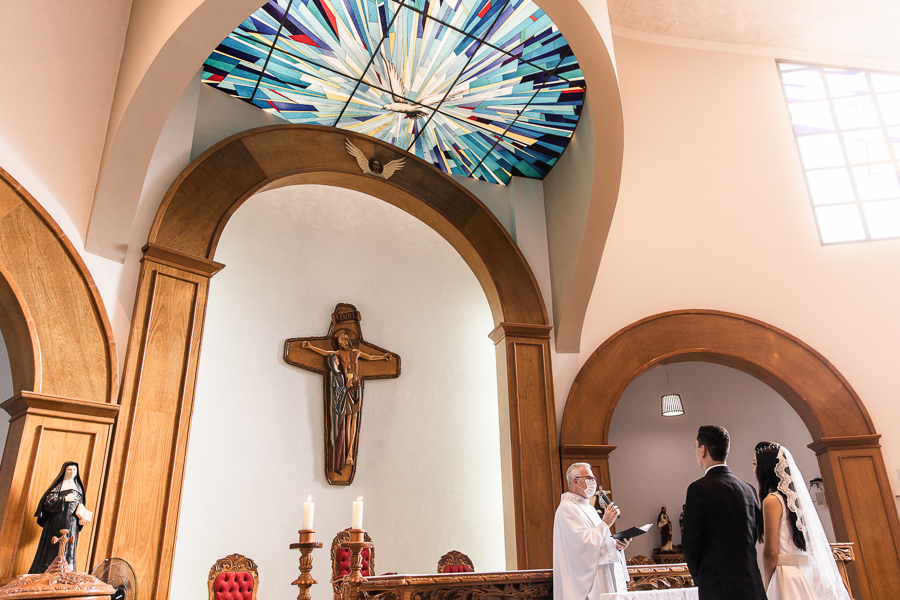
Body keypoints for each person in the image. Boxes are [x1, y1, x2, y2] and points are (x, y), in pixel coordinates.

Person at [754, 442, 851, 600]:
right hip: (805, 573)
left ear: (765, 467)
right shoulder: (796, 502)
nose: (754, 469)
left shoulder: (772, 501)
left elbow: (770, 552)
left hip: (785, 577)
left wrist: (767, 582)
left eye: (755, 463)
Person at [682, 425, 766, 600]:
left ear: (703, 450)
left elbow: (691, 545)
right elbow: (755, 535)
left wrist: (702, 578)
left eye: (696, 447)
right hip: (753, 585)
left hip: (718, 586)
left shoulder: (698, 489)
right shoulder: (748, 489)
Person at [302, 331, 393, 473]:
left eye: (344, 341)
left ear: (348, 341)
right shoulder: (338, 353)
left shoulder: (356, 352)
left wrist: (383, 357)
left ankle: (350, 453)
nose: (342, 344)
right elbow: (325, 353)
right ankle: (347, 454)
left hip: (356, 387)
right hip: (346, 388)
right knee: (348, 418)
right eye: (340, 342)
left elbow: (369, 357)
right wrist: (309, 347)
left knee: (355, 418)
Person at [553, 462, 631, 599]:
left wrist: (616, 545)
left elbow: (600, 541)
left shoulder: (589, 508)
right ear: (575, 481)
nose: (593, 482)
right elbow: (582, 546)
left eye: (593, 478)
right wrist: (605, 523)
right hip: (589, 582)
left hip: (603, 574)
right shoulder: (567, 509)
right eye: (589, 478)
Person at [29, 461, 90, 573]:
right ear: (64, 471)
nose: (72, 472)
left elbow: (80, 505)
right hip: (57, 521)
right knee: (53, 546)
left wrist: (83, 517)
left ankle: (67, 571)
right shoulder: (59, 486)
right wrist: (64, 499)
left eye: (74, 470)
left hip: (72, 522)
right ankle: (46, 570)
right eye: (69, 469)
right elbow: (47, 502)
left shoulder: (78, 487)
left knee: (69, 547)